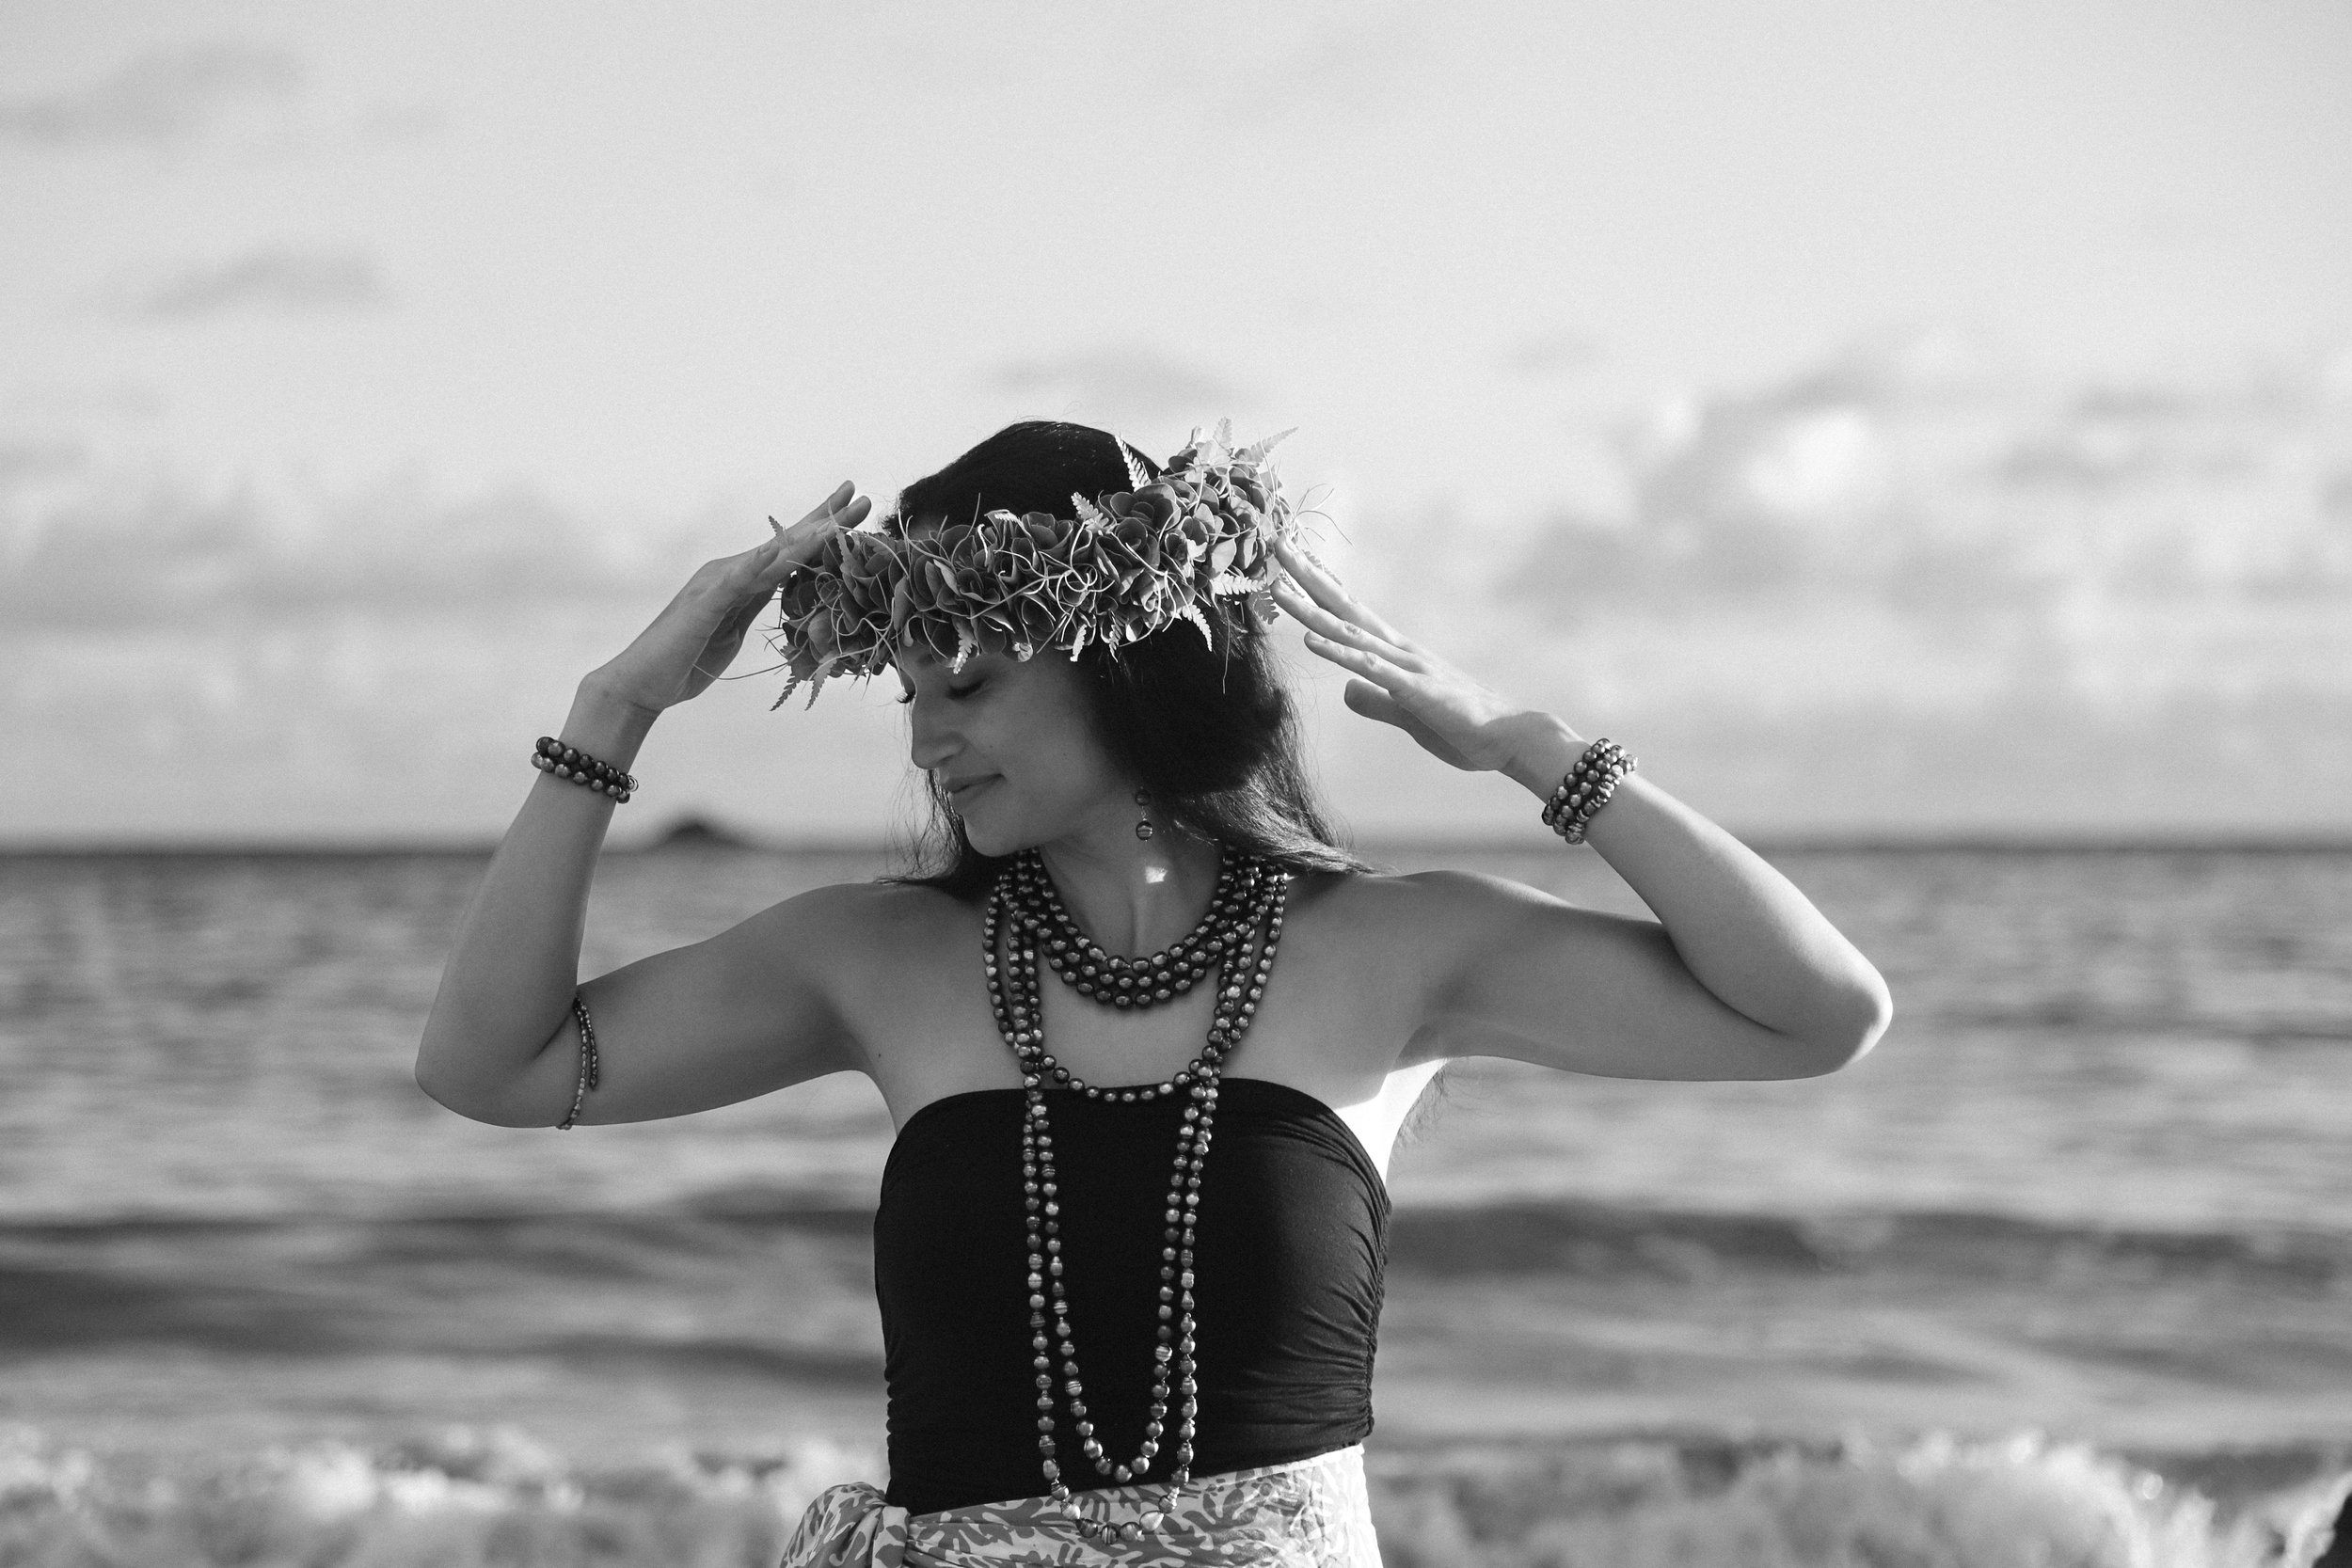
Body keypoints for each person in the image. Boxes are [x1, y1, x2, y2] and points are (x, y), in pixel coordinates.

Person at [415, 419, 1894, 1566]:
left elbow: (1819, 1012)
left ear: (1125, 656)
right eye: (909, 694)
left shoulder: (1392, 947)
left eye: (969, 684)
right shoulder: (873, 959)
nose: (925, 742)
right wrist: (614, 712)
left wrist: (1534, 750)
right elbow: (493, 1067)